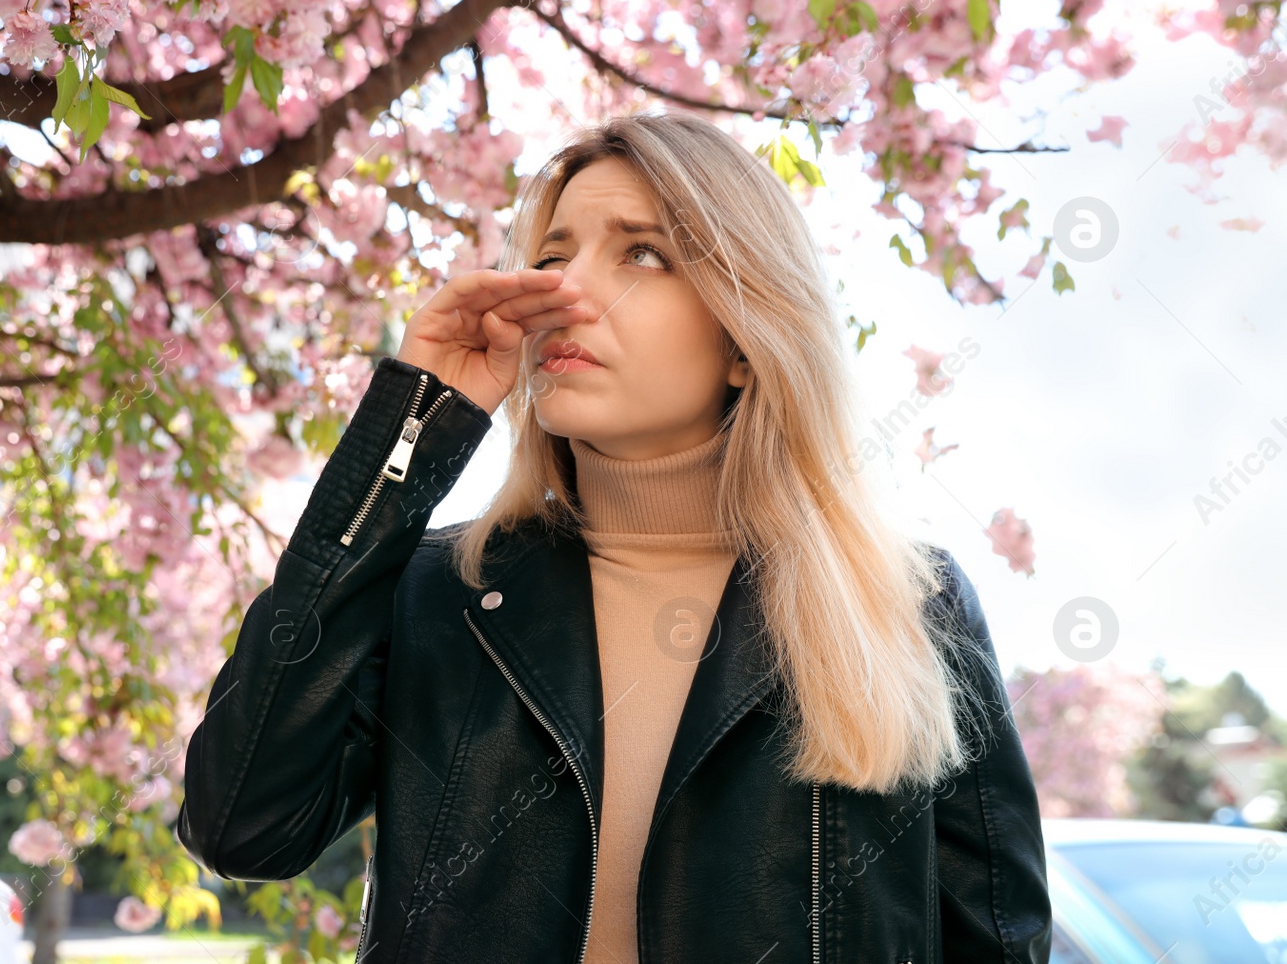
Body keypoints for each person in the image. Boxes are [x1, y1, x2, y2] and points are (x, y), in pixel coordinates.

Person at [176, 108, 1052, 963]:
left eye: (641, 253)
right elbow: (242, 825)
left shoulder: (909, 602)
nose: (566, 291)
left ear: (747, 340)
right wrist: (412, 428)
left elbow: (999, 938)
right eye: (551, 256)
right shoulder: (439, 590)